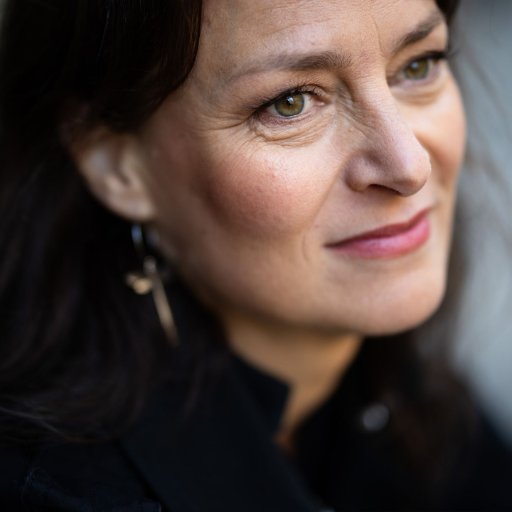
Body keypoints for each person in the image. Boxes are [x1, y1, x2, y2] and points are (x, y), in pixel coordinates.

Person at [0, 1, 510, 510]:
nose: (409, 165)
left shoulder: (413, 409)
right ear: (117, 166)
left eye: (418, 66)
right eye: (290, 103)